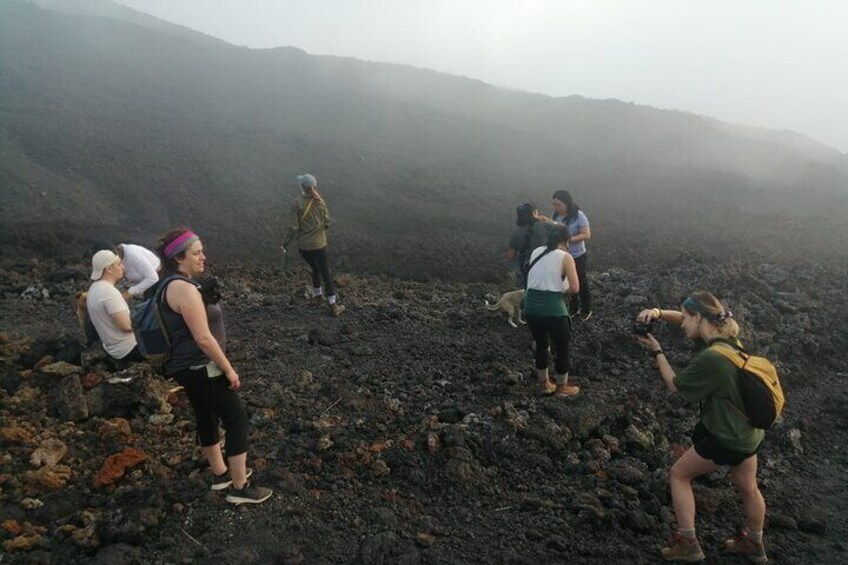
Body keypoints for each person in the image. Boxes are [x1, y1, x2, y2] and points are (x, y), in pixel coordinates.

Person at [635, 292, 767, 563]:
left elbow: (675, 385)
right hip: (749, 433)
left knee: (679, 475)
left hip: (726, 437)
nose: (681, 323)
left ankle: (688, 543)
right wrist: (659, 313)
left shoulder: (712, 359)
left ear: (699, 318)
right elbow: (680, 319)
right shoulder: (727, 343)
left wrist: (656, 350)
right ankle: (754, 544)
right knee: (748, 486)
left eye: (685, 318)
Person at [156, 228, 272, 505]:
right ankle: (240, 488)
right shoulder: (183, 289)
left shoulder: (170, 284)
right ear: (179, 258)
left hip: (184, 367)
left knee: (206, 415)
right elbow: (203, 339)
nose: (203, 257)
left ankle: (221, 474)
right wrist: (229, 369)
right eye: (196, 253)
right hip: (201, 366)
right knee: (236, 419)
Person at [523, 224, 580, 397]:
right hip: (553, 307)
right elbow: (575, 288)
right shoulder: (566, 257)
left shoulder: (536, 251)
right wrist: (563, 291)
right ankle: (562, 387)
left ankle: (544, 384)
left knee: (541, 344)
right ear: (567, 240)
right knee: (562, 347)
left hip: (531, 305)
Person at [282, 173, 345, 317]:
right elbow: (327, 223)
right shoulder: (320, 202)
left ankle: (318, 297)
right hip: (319, 244)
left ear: (301, 187)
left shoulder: (296, 203)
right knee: (325, 272)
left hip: (304, 247)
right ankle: (333, 306)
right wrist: (318, 233)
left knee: (315, 268)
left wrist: (285, 243)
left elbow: (292, 227)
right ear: (315, 187)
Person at [86, 250, 144, 370]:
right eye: (118, 264)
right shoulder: (108, 292)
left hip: (113, 348)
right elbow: (126, 326)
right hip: (129, 349)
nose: (122, 267)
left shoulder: (94, 288)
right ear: (109, 269)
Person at [551, 190, 592, 320]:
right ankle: (573, 308)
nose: (556, 207)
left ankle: (586, 309)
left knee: (580, 280)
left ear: (567, 203)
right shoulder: (555, 215)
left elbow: (586, 234)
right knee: (567, 282)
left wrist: (568, 240)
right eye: (554, 205)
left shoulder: (579, 215)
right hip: (562, 256)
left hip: (577, 255)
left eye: (558, 205)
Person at [506, 202, 553, 287]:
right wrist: (549, 220)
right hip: (547, 267)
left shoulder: (517, 233)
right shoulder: (545, 227)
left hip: (527, 270)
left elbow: (510, 255)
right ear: (534, 213)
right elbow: (564, 230)